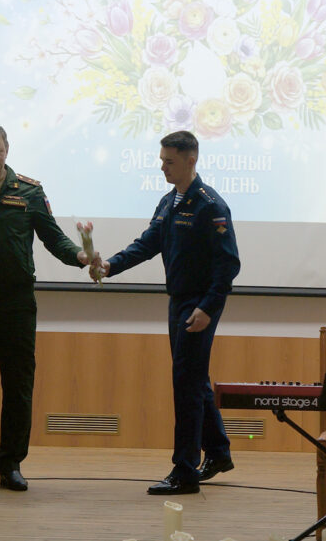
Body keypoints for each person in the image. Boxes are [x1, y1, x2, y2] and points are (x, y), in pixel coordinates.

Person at [0, 124, 96, 492]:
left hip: (16, 304)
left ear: (6, 150)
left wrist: (80, 255)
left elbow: (52, 237)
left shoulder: (29, 190)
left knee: (18, 387)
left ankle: (10, 464)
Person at [98, 130, 240, 495]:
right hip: (178, 301)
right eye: (161, 160)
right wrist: (111, 266)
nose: (162, 166)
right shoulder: (168, 201)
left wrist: (208, 308)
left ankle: (184, 471)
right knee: (193, 379)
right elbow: (148, 243)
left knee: (186, 386)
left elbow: (228, 265)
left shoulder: (211, 205)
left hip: (199, 305)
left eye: (169, 161)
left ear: (191, 160)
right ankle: (219, 453)